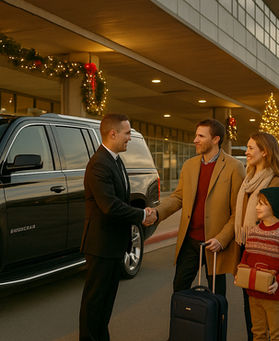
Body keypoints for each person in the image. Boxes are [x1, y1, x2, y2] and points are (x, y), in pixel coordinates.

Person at [79, 113, 155, 341]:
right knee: (94, 303)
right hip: (101, 246)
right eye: (127, 133)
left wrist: (142, 213)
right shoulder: (98, 164)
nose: (129, 138)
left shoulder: (115, 160)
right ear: (113, 133)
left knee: (106, 303)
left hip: (114, 245)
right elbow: (110, 207)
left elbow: (121, 200)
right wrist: (142, 214)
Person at [148, 118, 245, 296]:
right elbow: (178, 197)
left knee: (217, 295)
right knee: (179, 288)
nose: (195, 140)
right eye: (195, 135)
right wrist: (157, 212)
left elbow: (238, 212)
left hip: (215, 244)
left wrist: (221, 240)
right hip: (190, 240)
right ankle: (180, 324)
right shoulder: (189, 165)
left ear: (215, 139)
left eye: (201, 136)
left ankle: (215, 324)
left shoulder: (234, 167)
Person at [234, 132, 279, 341]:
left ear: (265, 152)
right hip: (247, 248)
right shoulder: (247, 180)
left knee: (274, 323)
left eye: (250, 148)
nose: (246, 152)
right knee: (252, 311)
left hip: (271, 253)